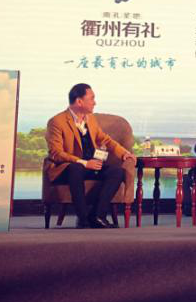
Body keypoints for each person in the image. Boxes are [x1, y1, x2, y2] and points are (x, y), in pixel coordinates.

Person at [45, 83, 133, 228]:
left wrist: (124, 153)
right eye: (92, 98)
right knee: (76, 169)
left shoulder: (90, 119)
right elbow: (56, 153)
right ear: (79, 101)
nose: (95, 102)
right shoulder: (57, 122)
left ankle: (97, 216)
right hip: (67, 168)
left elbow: (105, 140)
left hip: (91, 165)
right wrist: (84, 163)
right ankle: (83, 218)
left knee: (117, 172)